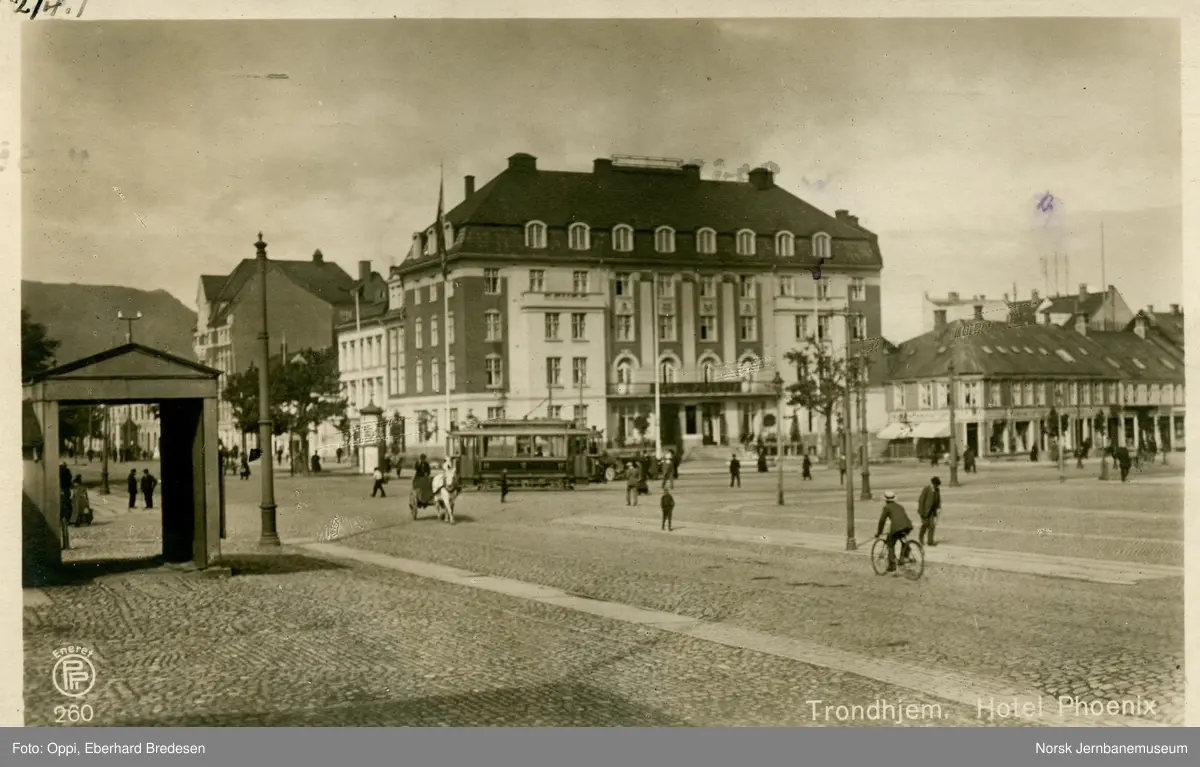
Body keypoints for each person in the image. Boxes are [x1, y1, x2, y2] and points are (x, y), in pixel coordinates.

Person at [875, 491, 914, 573]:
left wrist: (879, 532)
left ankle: (892, 565)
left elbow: (882, 521)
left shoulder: (887, 507)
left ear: (885, 500)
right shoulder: (899, 506)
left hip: (897, 528)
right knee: (902, 539)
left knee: (890, 543)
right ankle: (903, 557)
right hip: (907, 526)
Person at [917, 476, 942, 547]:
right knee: (925, 525)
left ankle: (930, 542)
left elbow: (938, 500)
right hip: (924, 511)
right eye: (935, 485)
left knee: (932, 526)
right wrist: (921, 512)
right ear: (933, 483)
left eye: (937, 485)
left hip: (932, 512)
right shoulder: (926, 489)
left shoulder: (937, 490)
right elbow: (921, 500)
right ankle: (921, 538)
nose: (936, 486)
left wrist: (938, 508)